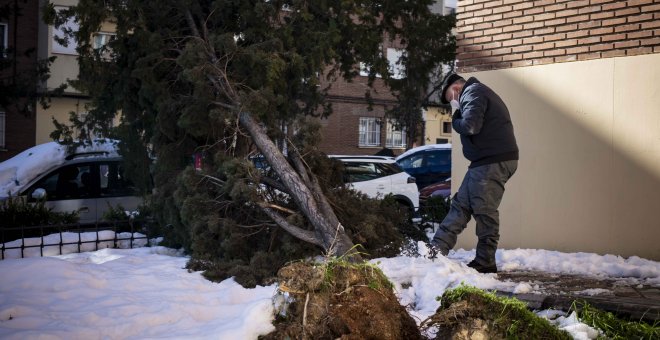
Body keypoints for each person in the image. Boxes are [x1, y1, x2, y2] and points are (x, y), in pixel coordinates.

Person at [430, 73, 519, 274]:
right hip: (484, 162)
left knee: (484, 210)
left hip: (492, 162)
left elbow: (470, 126)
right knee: (461, 205)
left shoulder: (473, 92)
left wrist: (455, 118)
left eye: (450, 98)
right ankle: (435, 252)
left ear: (455, 89)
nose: (453, 102)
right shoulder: (476, 93)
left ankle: (485, 261)